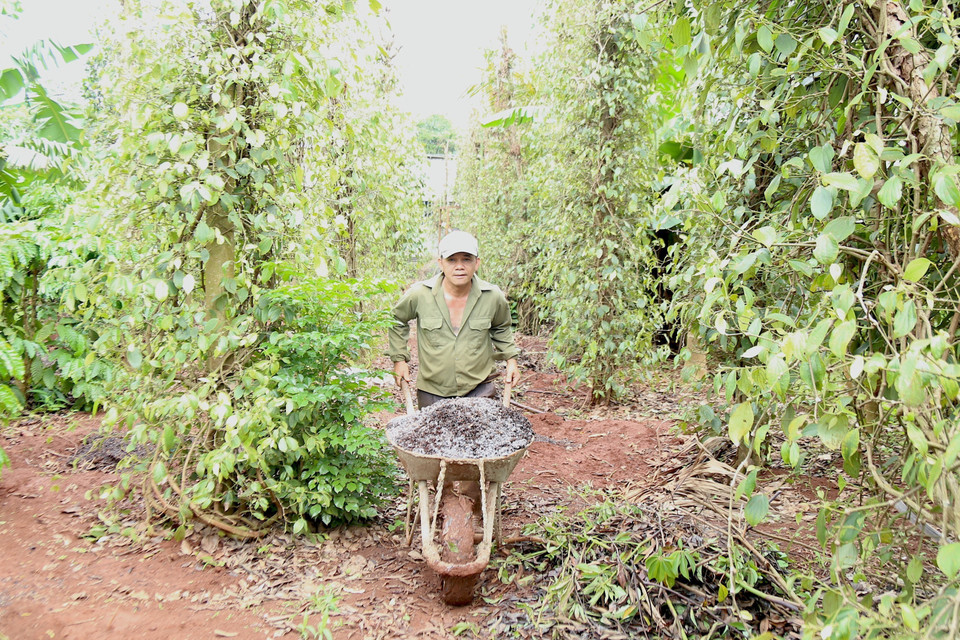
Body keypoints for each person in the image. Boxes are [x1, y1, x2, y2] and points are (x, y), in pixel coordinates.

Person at [388, 230, 521, 408]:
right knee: (431, 436)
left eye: (466, 259)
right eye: (452, 260)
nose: (459, 266)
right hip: (433, 391)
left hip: (479, 389)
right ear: (440, 263)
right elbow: (396, 320)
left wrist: (511, 360)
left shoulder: (492, 296)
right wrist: (399, 360)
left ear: (477, 263)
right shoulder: (419, 294)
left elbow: (501, 327)